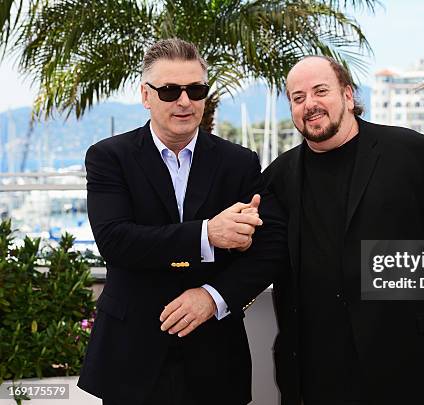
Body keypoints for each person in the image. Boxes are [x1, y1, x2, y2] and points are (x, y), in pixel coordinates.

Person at [263, 56, 424, 404]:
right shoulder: (279, 176)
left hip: (410, 359)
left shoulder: (415, 152)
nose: (309, 104)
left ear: (348, 95)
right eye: (298, 97)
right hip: (317, 371)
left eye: (320, 91)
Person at [77, 38, 286, 405]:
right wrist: (208, 235)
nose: (184, 101)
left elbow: (269, 249)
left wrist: (213, 297)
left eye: (196, 89)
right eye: (170, 90)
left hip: (216, 359)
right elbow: (115, 240)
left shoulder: (240, 162)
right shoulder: (109, 157)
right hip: (132, 359)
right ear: (146, 95)